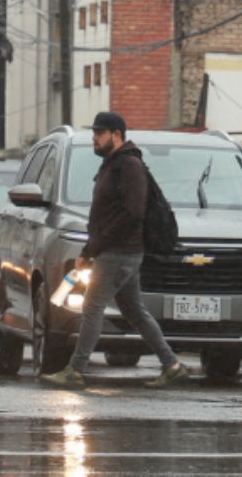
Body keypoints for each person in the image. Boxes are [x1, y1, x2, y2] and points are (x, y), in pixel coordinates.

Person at [40, 112, 188, 389]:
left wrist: (94, 246)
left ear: (116, 134)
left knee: (92, 307)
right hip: (117, 250)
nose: (94, 138)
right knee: (134, 310)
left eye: (100, 133)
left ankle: (75, 369)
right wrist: (92, 247)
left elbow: (133, 212)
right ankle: (172, 365)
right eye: (94, 132)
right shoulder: (113, 164)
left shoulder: (129, 165)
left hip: (119, 252)